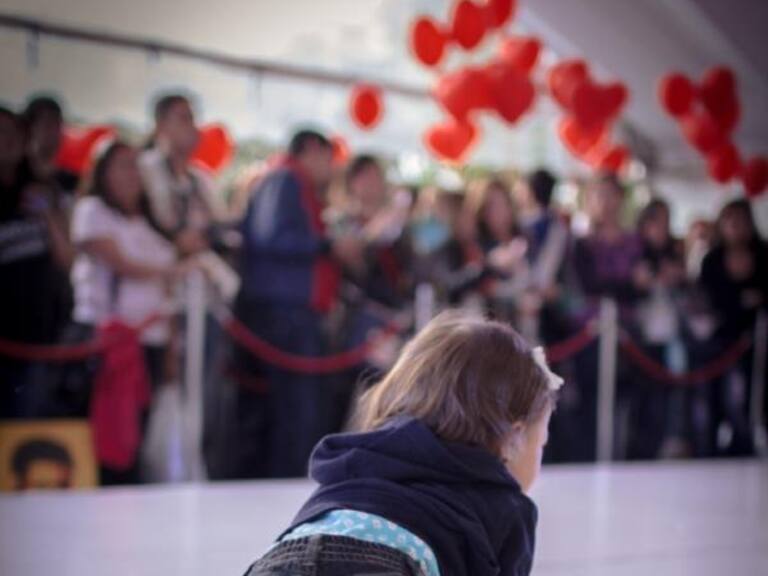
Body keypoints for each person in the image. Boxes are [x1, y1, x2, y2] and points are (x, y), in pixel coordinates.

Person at [243, 310, 561, 576]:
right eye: (541, 444)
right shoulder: (502, 503)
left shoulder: (361, 462)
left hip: (282, 557)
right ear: (513, 439)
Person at [232, 129, 363, 478]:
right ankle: (289, 479)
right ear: (312, 149)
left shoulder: (289, 183)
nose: (331, 169)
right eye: (329, 159)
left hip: (294, 311)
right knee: (295, 409)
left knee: (300, 408)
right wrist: (327, 244)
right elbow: (273, 236)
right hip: (284, 312)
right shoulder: (284, 180)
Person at [0, 107, 74, 418]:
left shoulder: (42, 188)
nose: (8, 140)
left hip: (43, 332)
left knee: (31, 420)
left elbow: (67, 258)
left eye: (13, 132)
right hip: (5, 334)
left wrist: (48, 214)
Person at [699, 199, 768, 456]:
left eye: (741, 220)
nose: (736, 227)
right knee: (716, 391)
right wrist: (741, 300)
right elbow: (707, 298)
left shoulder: (763, 254)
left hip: (758, 335)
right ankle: (713, 440)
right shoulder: (712, 259)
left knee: (754, 389)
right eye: (730, 221)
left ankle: (749, 437)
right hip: (721, 336)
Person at [139, 93, 225, 255]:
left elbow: (218, 221)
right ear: (161, 126)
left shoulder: (200, 178)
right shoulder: (143, 168)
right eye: (184, 119)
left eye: (193, 119)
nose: (193, 128)